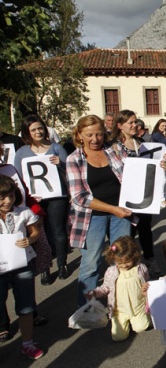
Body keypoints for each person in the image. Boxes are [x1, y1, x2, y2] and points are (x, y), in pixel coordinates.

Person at [67, 115, 133, 306]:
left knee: (122, 259)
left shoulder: (114, 150)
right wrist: (113, 209)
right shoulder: (74, 159)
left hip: (120, 214)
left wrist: (157, 167)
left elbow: (135, 170)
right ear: (79, 135)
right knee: (91, 263)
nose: (95, 139)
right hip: (91, 217)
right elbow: (79, 197)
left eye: (99, 134)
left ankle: (121, 302)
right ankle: (87, 307)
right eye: (89, 135)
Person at [15, 114, 70, 282]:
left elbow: (70, 170)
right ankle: (45, 267)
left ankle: (62, 264)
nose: (38, 132)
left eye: (40, 128)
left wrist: (60, 164)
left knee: (58, 231)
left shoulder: (56, 148)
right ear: (27, 132)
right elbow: (18, 177)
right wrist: (28, 196)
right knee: (40, 233)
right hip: (35, 199)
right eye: (33, 130)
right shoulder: (22, 152)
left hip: (57, 196)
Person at [109, 110, 164, 277]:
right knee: (128, 232)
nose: (135, 125)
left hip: (144, 194)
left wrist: (162, 163)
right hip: (125, 196)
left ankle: (149, 260)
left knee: (145, 229)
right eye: (130, 123)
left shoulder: (142, 143)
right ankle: (128, 265)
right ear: (119, 125)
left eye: (135, 122)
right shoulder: (114, 146)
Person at [0, 175, 44, 360]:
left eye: (10, 196)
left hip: (21, 264)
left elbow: (35, 231)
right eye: (2, 197)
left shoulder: (23, 212)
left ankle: (28, 343)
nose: (8, 201)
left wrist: (30, 239)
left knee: (25, 306)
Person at [86, 236, 151, 341]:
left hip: (138, 306)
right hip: (119, 310)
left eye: (127, 261)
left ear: (134, 256)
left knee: (141, 327)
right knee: (118, 337)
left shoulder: (140, 268)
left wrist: (146, 289)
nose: (124, 265)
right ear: (113, 259)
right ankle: (125, 322)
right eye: (120, 263)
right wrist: (95, 292)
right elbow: (105, 287)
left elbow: (147, 281)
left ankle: (145, 316)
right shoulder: (111, 272)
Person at [152, 118, 166, 207]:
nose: (164, 127)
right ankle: (161, 200)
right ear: (158, 125)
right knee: (162, 180)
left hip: (164, 159)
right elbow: (164, 144)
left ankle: (163, 198)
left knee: (165, 179)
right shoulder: (157, 134)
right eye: (162, 126)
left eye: (165, 126)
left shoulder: (162, 135)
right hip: (159, 160)